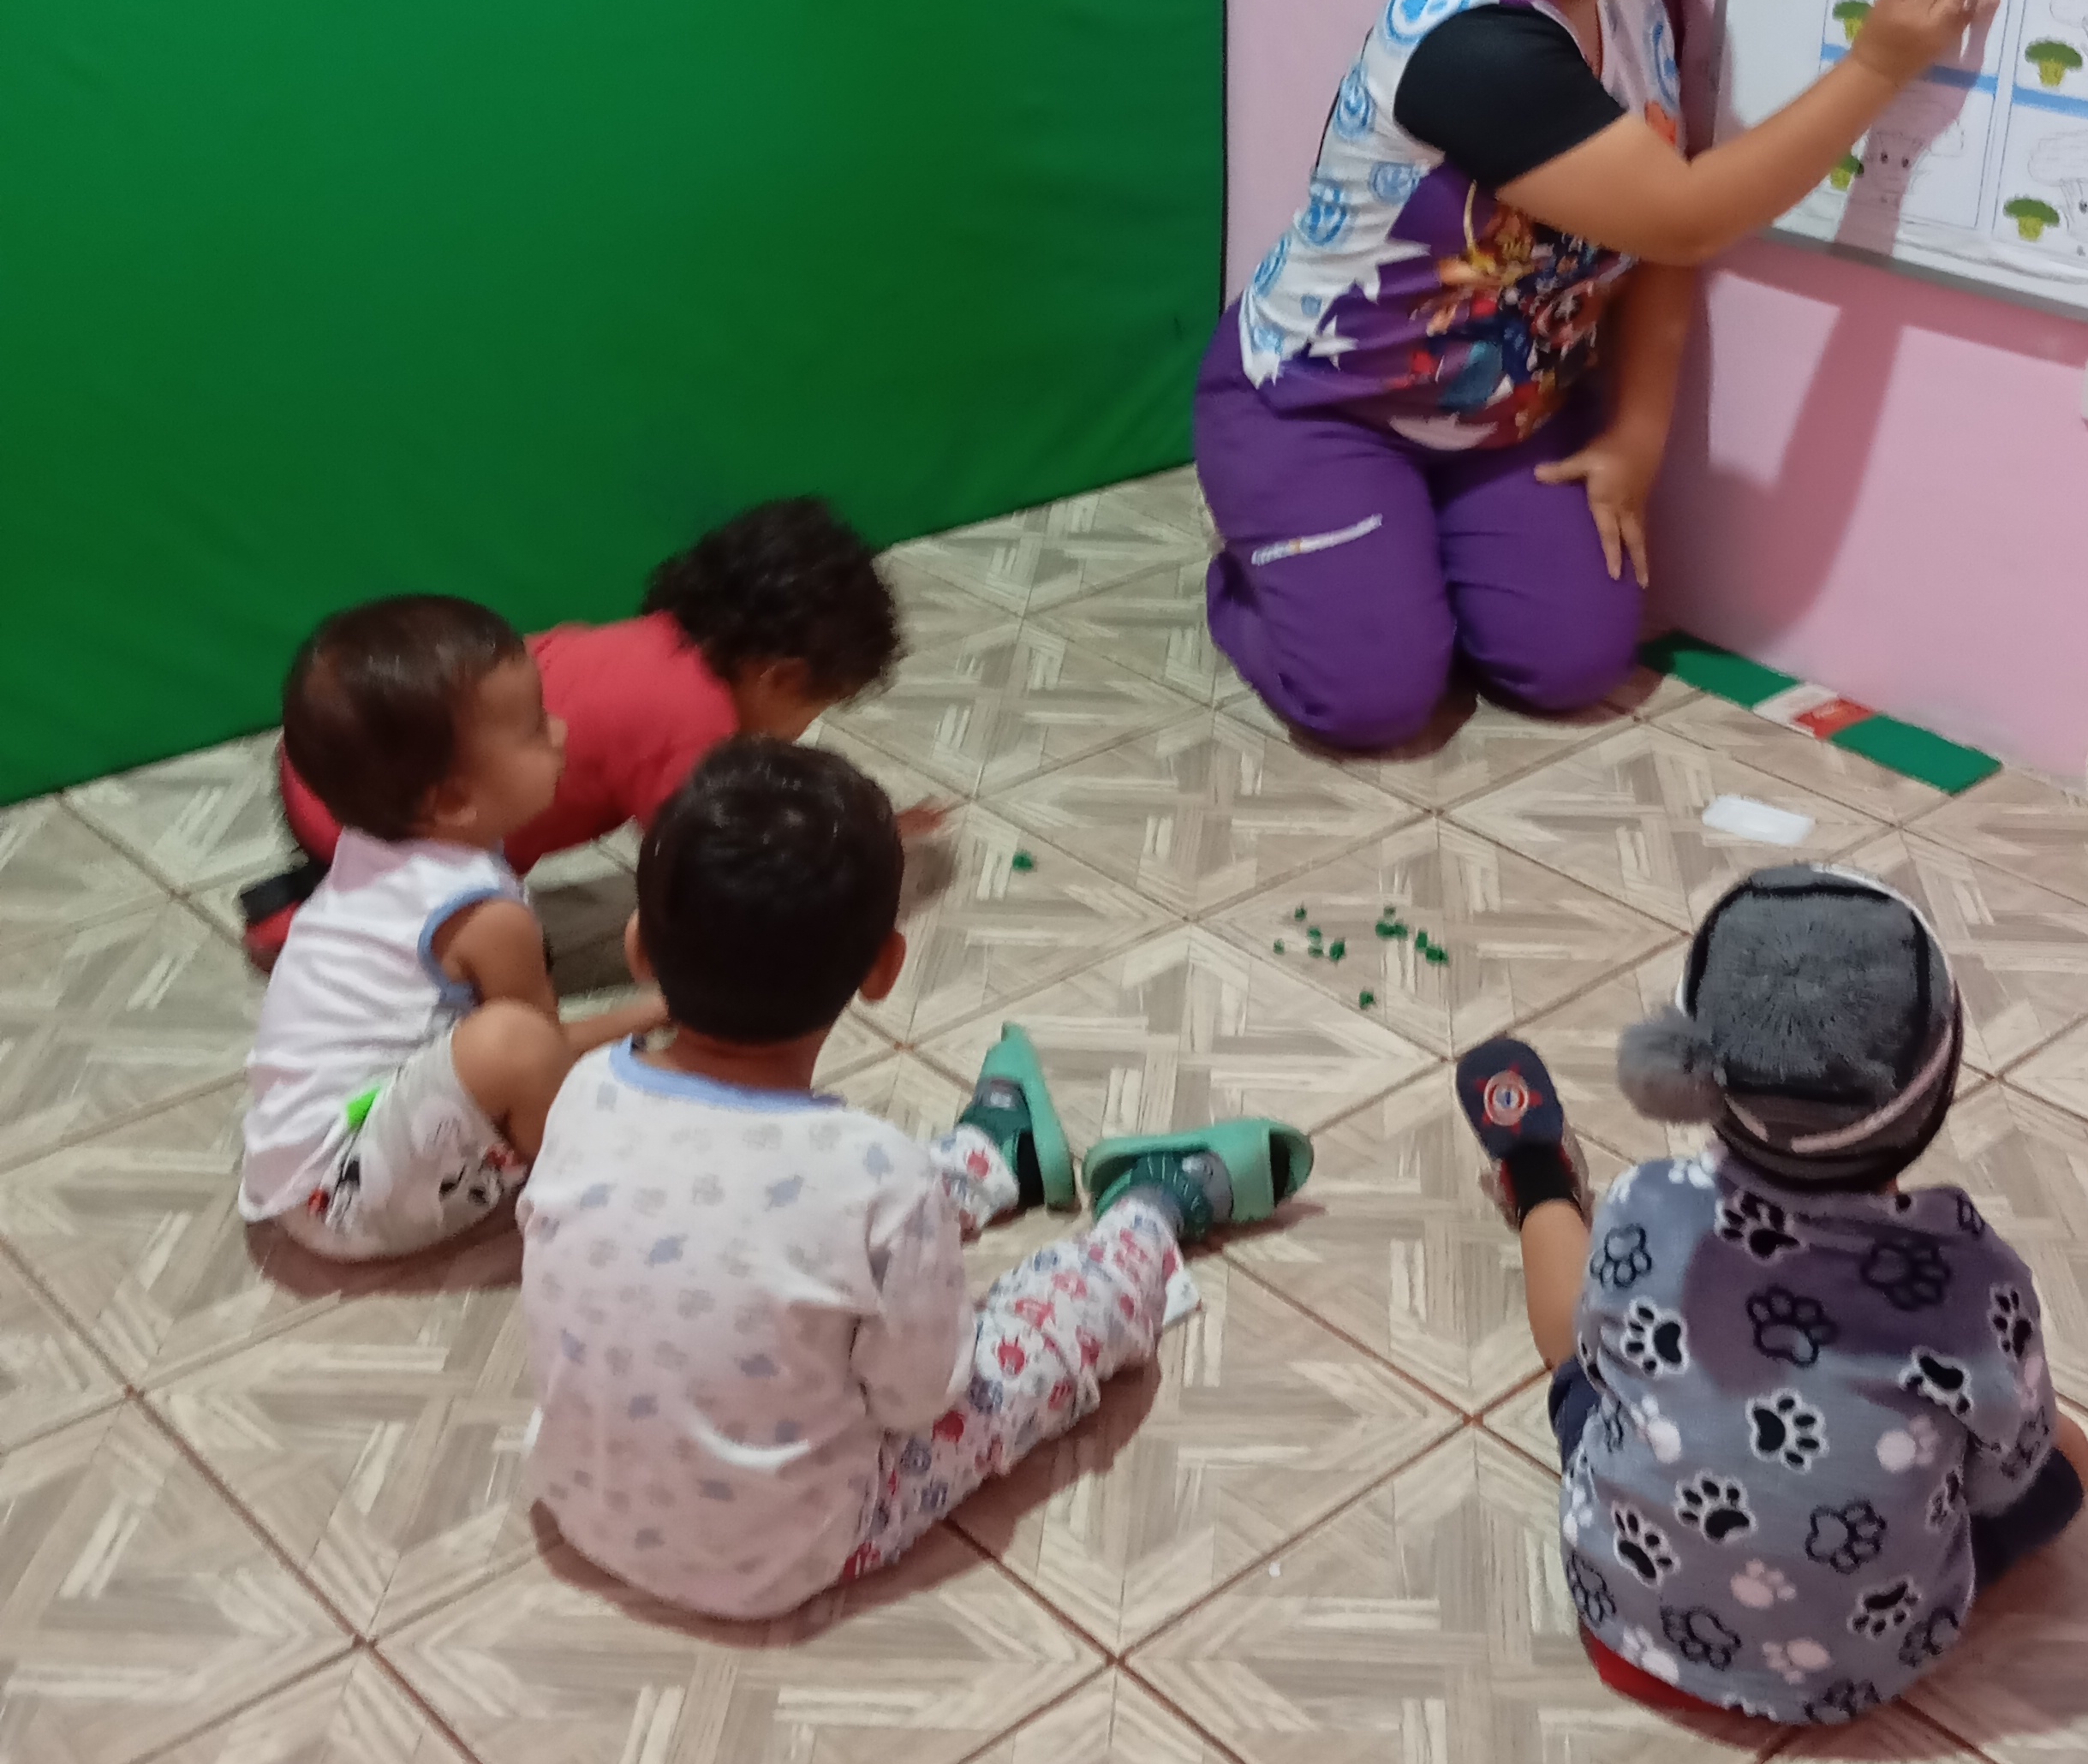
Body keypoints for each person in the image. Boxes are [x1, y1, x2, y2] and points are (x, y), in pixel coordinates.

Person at [1193, 0, 1994, 749]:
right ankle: (1260, 573)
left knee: (1567, 663)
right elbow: (1691, 211)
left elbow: (1660, 245)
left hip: (1500, 415)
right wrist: (1876, 68)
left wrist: (1636, 438)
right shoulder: (1473, 44)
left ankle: (1394, 558)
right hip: (1322, 406)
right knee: (1373, 699)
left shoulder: (1631, 9)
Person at [518, 738, 1313, 1622]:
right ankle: (1150, 1214)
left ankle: (991, 1159)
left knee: (832, 1222)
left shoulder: (583, 1092)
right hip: (788, 1554)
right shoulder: (872, 1172)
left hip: (580, 1501)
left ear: (637, 947)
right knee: (1023, 1347)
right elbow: (922, 1395)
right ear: (883, 970)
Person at [1459, 866, 2088, 1727]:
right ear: (1935, 1099)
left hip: (1624, 1628)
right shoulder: (1974, 1284)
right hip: (1859, 1670)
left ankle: (1535, 1176)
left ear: (1690, 1068)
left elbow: (1599, 1363)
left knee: (1576, 1363)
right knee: (2071, 1451)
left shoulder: (1648, 1205)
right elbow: (2003, 1478)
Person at [244, 497, 914, 963]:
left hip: (330, 760)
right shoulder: (694, 722)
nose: (808, 727)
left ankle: (325, 888)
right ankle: (308, 917)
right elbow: (707, 866)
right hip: (368, 817)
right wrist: (828, 863)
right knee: (485, 960)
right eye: (820, 705)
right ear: (780, 677)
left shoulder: (660, 643)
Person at [242, 597, 665, 1260]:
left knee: (512, 1041)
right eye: (535, 728)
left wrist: (648, 1016)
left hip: (309, 1161)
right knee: (513, 1041)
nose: (560, 732)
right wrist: (658, 1012)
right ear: (453, 800)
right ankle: (589, 1202)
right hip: (342, 1200)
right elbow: (540, 1052)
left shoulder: (378, 845)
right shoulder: (484, 916)